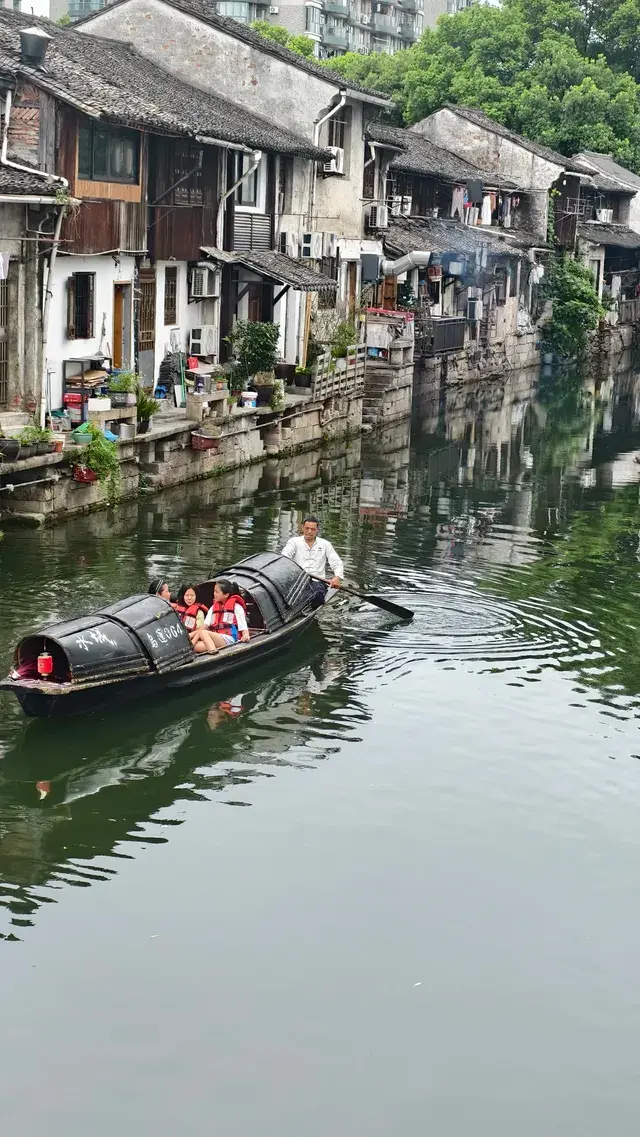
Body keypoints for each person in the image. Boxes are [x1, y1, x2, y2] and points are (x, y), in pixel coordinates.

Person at [281, 516, 344, 606]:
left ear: (317, 530)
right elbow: (284, 556)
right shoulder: (294, 542)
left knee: (317, 595)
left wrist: (337, 577)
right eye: (307, 528)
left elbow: (336, 562)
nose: (309, 532)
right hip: (298, 580)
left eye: (313, 529)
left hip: (317, 581)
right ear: (302, 528)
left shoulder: (325, 544)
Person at [190, 579, 251, 654]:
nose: (214, 594)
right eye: (214, 591)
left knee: (203, 633)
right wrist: (191, 641)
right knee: (195, 646)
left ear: (226, 594)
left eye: (217, 592)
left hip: (230, 639)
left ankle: (213, 652)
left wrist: (246, 636)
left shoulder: (237, 607)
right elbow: (203, 627)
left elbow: (244, 629)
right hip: (217, 638)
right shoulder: (213, 608)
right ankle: (211, 648)